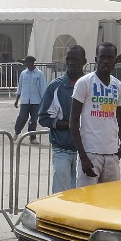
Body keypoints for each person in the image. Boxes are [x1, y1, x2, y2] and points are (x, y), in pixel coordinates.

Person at [70, 42, 121, 185]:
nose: (106, 61)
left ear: (116, 60)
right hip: (90, 154)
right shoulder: (84, 83)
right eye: (102, 57)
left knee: (109, 204)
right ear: (96, 59)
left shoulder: (117, 85)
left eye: (110, 57)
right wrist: (83, 157)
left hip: (112, 155)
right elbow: (73, 122)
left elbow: (120, 123)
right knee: (87, 202)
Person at [37, 45, 87, 193]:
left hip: (86, 150)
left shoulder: (91, 84)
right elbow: (43, 118)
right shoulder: (55, 86)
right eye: (68, 59)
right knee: (61, 193)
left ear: (84, 61)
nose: (71, 62)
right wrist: (69, 125)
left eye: (75, 59)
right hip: (61, 148)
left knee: (81, 193)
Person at [14, 56, 47, 142]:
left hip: (36, 101)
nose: (25, 64)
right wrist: (17, 99)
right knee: (22, 117)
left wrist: (44, 101)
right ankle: (17, 132)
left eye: (26, 62)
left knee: (33, 119)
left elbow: (42, 88)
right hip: (25, 100)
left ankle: (32, 137)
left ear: (31, 63)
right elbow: (20, 87)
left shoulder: (39, 74)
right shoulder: (23, 73)